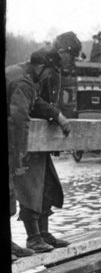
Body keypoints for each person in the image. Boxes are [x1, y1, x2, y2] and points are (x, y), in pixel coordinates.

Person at [13, 32, 81, 253]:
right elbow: (33, 101)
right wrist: (57, 115)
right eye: (72, 56)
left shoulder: (54, 69)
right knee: (30, 187)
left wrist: (52, 137)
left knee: (48, 186)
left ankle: (43, 233)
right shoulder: (41, 66)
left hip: (39, 136)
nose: (73, 62)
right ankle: (34, 237)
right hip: (26, 136)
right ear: (62, 53)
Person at [6, 51, 52, 258]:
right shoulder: (23, 82)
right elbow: (19, 121)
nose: (48, 77)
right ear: (40, 67)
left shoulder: (21, 75)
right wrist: (20, 155)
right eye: (48, 72)